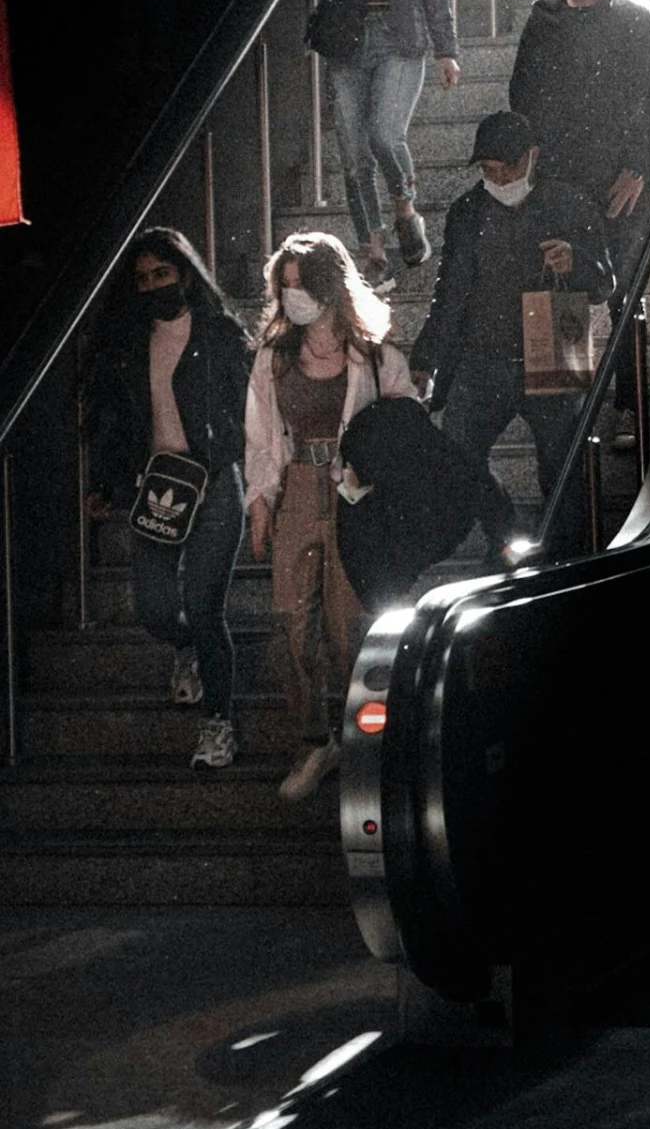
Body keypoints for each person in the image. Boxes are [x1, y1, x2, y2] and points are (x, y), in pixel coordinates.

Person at [244, 230, 418, 802]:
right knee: (292, 621)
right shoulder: (275, 357)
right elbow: (263, 437)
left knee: (351, 622)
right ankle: (312, 740)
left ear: (329, 286)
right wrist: (259, 503)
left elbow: (405, 419)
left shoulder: (372, 354)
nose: (294, 297)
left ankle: (362, 742)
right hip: (297, 484)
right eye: (285, 287)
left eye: (303, 285)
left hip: (355, 494)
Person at [508, 0, 650, 441]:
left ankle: (629, 409)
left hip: (620, 184)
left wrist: (640, 168)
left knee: (626, 293)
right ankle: (564, 425)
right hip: (561, 182)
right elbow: (523, 95)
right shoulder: (544, 19)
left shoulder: (636, 16)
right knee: (559, 288)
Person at [409, 109, 614, 561]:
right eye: (488, 170)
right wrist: (426, 357)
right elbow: (449, 292)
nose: (497, 179)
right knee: (457, 454)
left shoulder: (569, 203)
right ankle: (505, 532)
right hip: (481, 360)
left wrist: (575, 262)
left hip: (553, 354)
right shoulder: (467, 211)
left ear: (532, 157)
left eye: (506, 168)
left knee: (563, 466)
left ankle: (564, 554)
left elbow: (604, 283)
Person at [84, 228, 251, 770]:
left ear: (184, 272)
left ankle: (217, 725)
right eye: (143, 278)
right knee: (153, 607)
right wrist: (106, 483)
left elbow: (248, 404)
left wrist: (231, 450)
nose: (154, 285)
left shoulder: (220, 333)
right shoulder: (126, 342)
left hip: (213, 482)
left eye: (163, 273)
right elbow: (111, 421)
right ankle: (189, 650)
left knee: (207, 609)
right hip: (154, 486)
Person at [307, 0, 460, 288]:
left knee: (383, 133)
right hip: (347, 45)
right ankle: (372, 250)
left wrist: (446, 49)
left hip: (400, 40)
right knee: (354, 158)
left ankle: (405, 209)